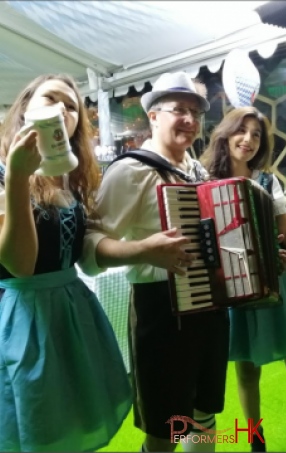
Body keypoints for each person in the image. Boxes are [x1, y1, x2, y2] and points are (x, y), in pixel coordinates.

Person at [79, 72, 230, 453]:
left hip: (210, 306)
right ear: (153, 117)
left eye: (195, 112)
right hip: (161, 311)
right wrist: (143, 250)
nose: (190, 120)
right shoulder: (131, 170)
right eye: (179, 109)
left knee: (203, 411)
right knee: (165, 429)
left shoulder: (197, 171)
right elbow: (89, 246)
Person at [0, 74, 132, 452]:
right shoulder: (2, 170)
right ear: (26, 108)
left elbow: (81, 250)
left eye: (71, 105)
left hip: (73, 312)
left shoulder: (72, 178)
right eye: (51, 98)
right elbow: (20, 265)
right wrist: (18, 176)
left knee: (75, 417)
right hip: (23, 316)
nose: (61, 109)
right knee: (37, 422)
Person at [200, 106, 286, 452]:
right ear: (226, 134)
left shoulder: (266, 180)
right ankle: (256, 444)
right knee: (246, 371)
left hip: (277, 282)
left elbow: (285, 240)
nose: (247, 140)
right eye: (241, 131)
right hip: (232, 286)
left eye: (256, 134)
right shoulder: (202, 182)